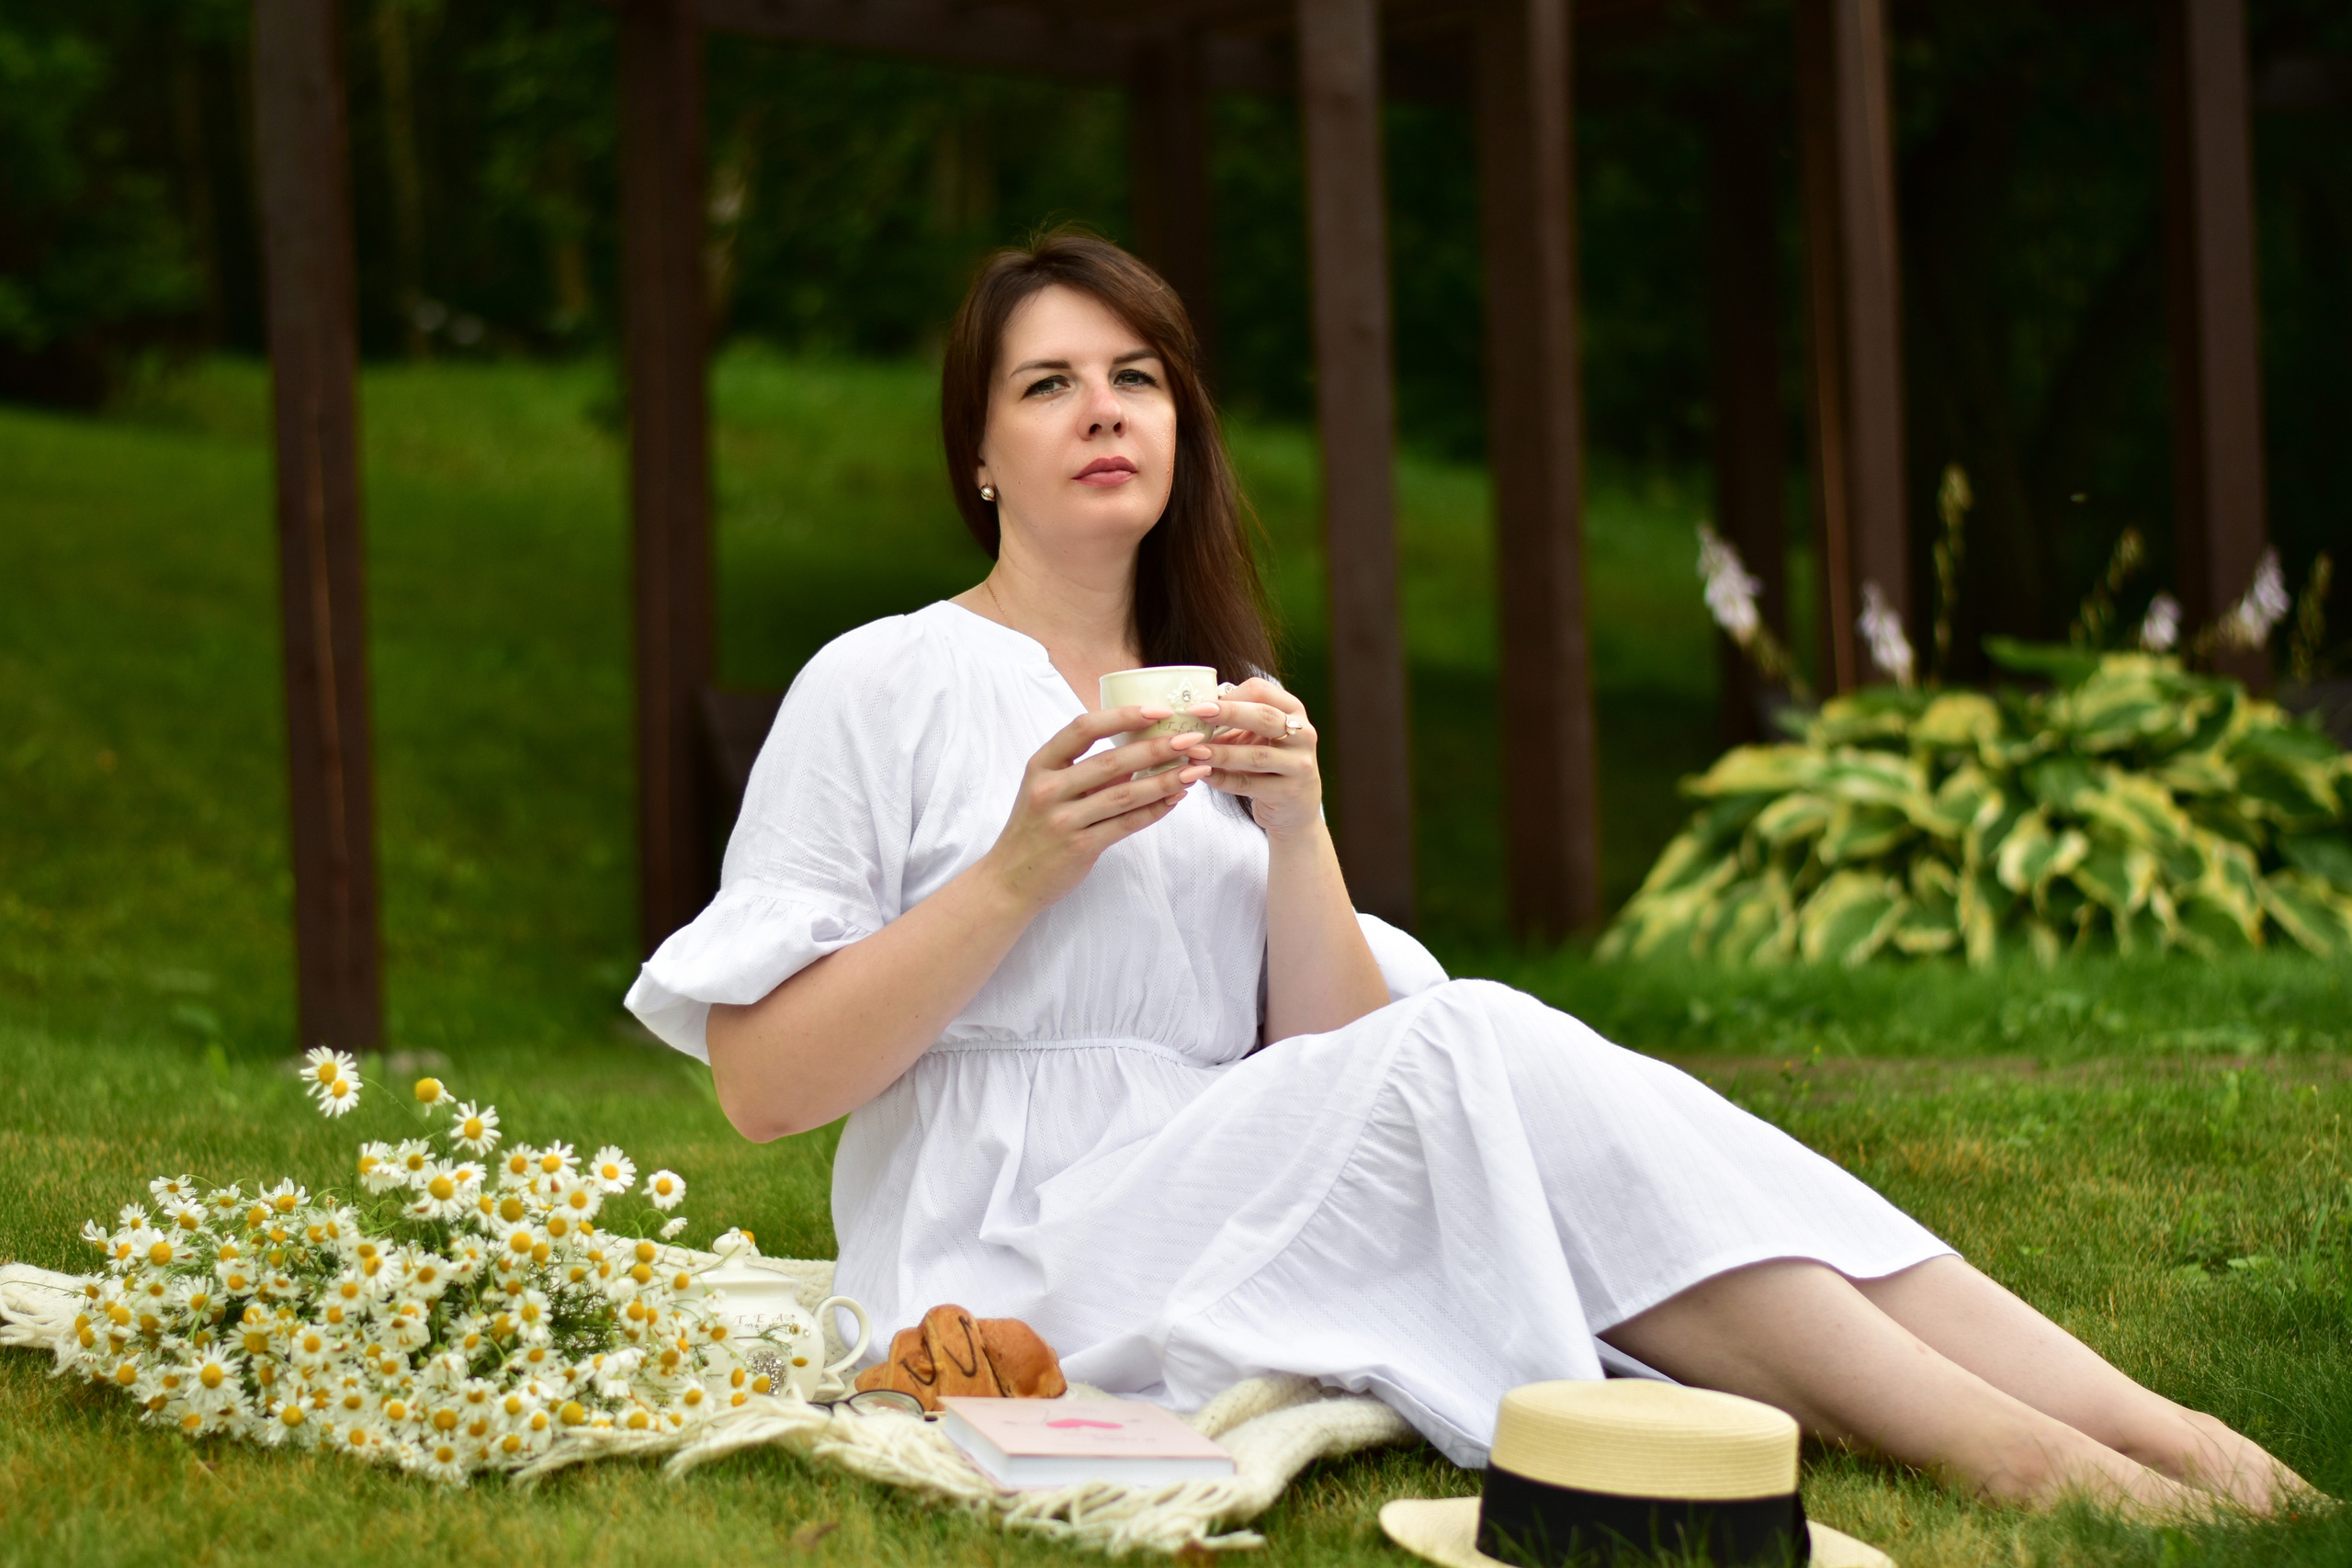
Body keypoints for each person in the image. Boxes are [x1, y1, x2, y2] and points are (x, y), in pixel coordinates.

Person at [626, 231, 2308, 1519]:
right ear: (978, 452)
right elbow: (768, 1089)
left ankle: (2171, 1435)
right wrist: (1013, 873)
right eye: (1049, 383)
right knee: (1488, 1043)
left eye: (1138, 376)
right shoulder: (886, 680)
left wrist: (1297, 835)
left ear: (1180, 429)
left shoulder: (1222, 710)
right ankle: (2017, 1458)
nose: (1103, 411)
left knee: (1566, 1089)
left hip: (1221, 1191)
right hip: (1007, 1253)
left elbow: (1336, 1067)